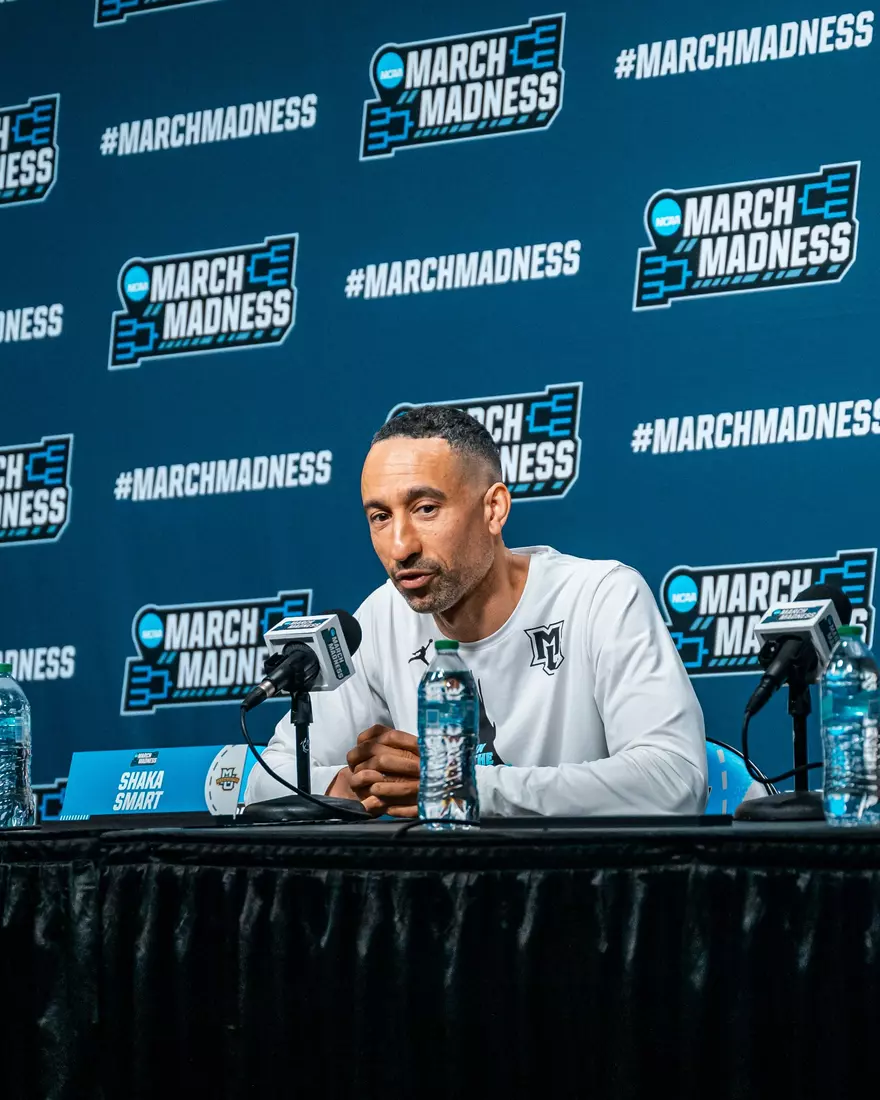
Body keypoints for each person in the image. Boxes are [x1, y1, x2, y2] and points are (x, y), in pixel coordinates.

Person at [245, 406, 708, 817]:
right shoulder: (381, 616)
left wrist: (461, 788)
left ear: (494, 509)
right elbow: (268, 777)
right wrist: (359, 785)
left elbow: (675, 781)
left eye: (426, 508)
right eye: (380, 517)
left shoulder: (600, 596)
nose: (400, 547)